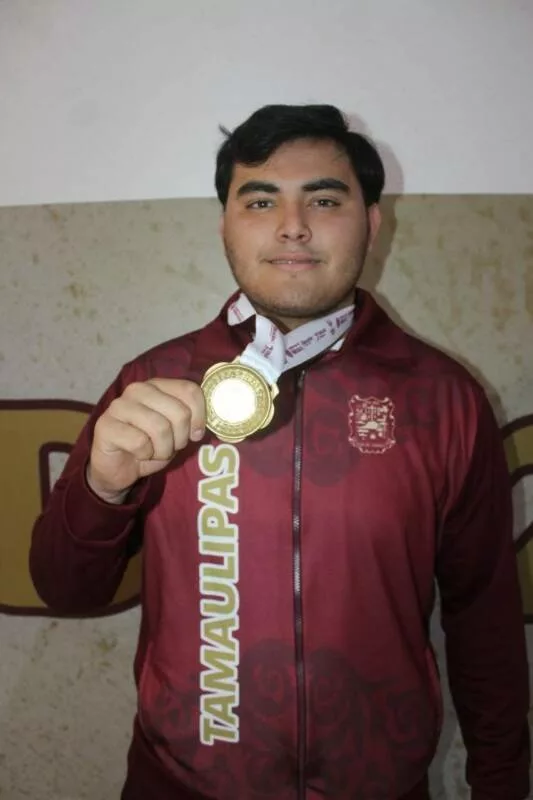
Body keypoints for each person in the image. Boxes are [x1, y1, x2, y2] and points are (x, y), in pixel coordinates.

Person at [30, 105, 530, 800]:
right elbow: (65, 590)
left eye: (324, 200)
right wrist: (100, 489)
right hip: (177, 785)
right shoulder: (153, 383)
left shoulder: (444, 399)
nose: (292, 225)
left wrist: (501, 782)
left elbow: (482, 617)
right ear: (224, 224)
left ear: (372, 223)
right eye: (260, 201)